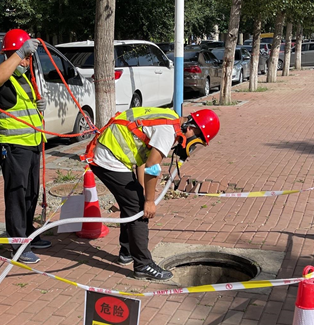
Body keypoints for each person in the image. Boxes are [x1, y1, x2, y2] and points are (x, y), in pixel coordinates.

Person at [83, 107, 220, 280]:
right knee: (138, 209)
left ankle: (127, 252)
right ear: (191, 128)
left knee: (132, 201)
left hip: (111, 153)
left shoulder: (171, 118)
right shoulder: (167, 132)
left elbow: (143, 158)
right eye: (197, 141)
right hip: (108, 158)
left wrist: (141, 189)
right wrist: (148, 201)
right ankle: (143, 265)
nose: (193, 147)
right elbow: (152, 167)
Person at [0, 29, 51, 263]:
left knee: (31, 193)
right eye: (23, 56)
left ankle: (27, 236)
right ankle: (17, 244)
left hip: (32, 143)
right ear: (10, 54)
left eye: (27, 57)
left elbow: (24, 108)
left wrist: (38, 106)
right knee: (16, 194)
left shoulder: (23, 77)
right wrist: (19, 51)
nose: (25, 61)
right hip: (13, 147)